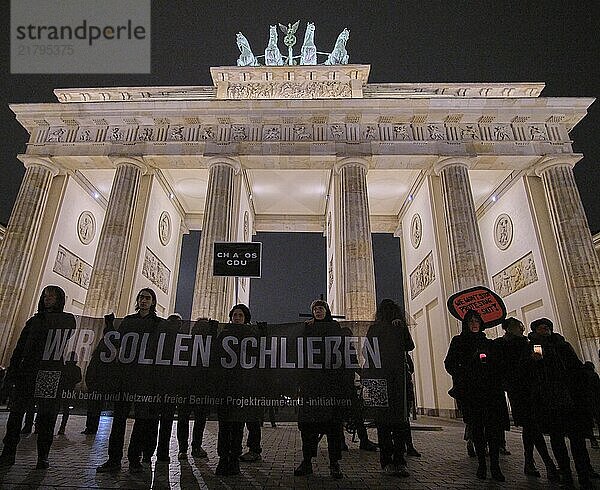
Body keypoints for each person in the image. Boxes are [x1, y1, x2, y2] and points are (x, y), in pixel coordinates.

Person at [0, 285, 76, 469]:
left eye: (52, 296)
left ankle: (43, 456)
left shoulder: (66, 320)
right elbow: (20, 348)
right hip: (28, 372)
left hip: (49, 373)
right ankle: (8, 453)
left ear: (59, 299)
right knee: (16, 414)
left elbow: (72, 330)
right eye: (45, 296)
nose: (47, 299)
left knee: (47, 417)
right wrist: (12, 372)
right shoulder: (33, 321)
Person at [96, 288, 163, 473]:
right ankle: (113, 459)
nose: (143, 301)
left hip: (144, 379)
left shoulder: (158, 323)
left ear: (153, 302)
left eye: (147, 298)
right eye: (141, 297)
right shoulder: (128, 321)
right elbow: (116, 343)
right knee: (118, 420)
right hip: (125, 377)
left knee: (141, 421)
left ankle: (135, 459)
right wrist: (109, 326)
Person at [528, 317, 598, 488]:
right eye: (541, 328)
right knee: (557, 439)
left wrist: (586, 372)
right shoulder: (534, 346)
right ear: (535, 330)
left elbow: (575, 367)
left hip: (570, 397)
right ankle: (566, 473)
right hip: (550, 399)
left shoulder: (563, 345)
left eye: (547, 327)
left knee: (577, 439)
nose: (544, 330)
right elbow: (534, 370)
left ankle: (583, 473)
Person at [444, 309, 509, 482]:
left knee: (494, 430)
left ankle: (495, 465)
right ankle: (481, 463)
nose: (474, 323)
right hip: (471, 391)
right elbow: (449, 363)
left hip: (491, 390)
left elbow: (500, 364)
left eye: (477, 321)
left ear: (481, 323)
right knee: (478, 429)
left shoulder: (490, 343)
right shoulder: (458, 342)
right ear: (466, 323)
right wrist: (464, 370)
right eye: (471, 321)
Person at [495, 317, 559, 480]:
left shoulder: (528, 343)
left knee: (530, 426)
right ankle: (547, 462)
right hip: (517, 390)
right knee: (531, 425)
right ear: (508, 328)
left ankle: (530, 462)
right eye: (518, 326)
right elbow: (502, 367)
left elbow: (540, 361)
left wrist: (538, 359)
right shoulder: (501, 345)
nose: (522, 329)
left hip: (533, 389)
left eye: (522, 326)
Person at [294, 299, 347, 480]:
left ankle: (334, 463)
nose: (318, 311)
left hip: (330, 385)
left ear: (327, 310)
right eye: (315, 309)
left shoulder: (335, 328)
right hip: (311, 385)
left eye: (321, 308)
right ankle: (307, 461)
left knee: (333, 427)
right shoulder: (306, 328)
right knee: (308, 427)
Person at [365, 299, 415, 477]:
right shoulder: (377, 329)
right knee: (392, 424)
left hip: (388, 379)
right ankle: (395, 461)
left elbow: (408, 346)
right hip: (389, 379)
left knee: (388, 424)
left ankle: (390, 461)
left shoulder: (385, 328)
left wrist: (401, 328)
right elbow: (410, 346)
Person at [215, 304, 258, 476]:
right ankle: (222, 458)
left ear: (245, 318)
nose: (237, 318)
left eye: (240, 315)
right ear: (231, 317)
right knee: (224, 426)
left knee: (238, 427)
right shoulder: (223, 333)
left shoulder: (252, 335)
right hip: (225, 387)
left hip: (243, 388)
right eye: (235, 315)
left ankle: (234, 459)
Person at [56, 351, 82, 435]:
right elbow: (79, 378)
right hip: (69, 390)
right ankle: (62, 427)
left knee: (58, 408)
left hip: (62, 390)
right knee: (65, 409)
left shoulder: (64, 367)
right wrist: (72, 382)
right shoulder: (76, 369)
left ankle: (58, 427)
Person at [583, 361, 600, 449]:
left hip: (587, 402)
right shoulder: (594, 375)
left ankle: (593, 439)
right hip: (595, 400)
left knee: (589, 422)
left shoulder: (582, 376)